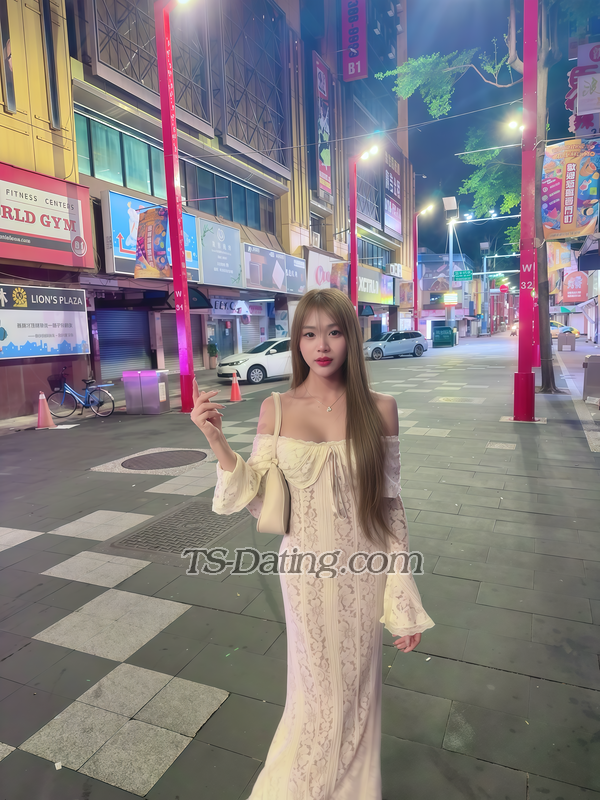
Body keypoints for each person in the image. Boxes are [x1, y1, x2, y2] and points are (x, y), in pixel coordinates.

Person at [191, 288, 434, 799]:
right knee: (317, 694)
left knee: (359, 694)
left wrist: (402, 596)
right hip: (303, 573)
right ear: (297, 341)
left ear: (351, 338)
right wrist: (217, 442)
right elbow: (258, 499)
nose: (321, 345)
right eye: (309, 333)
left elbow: (390, 509)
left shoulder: (381, 410)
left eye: (334, 332)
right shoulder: (275, 410)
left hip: (364, 574)